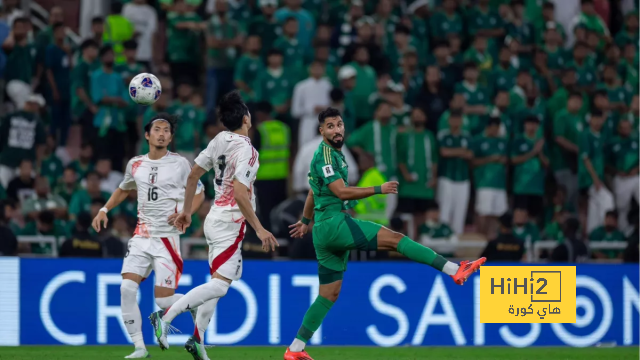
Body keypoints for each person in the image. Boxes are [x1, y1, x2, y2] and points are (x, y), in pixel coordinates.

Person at [280, 107, 484, 360]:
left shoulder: (333, 155)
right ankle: (454, 270)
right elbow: (342, 193)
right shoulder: (326, 156)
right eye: (330, 126)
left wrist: (304, 220)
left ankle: (295, 349)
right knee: (397, 240)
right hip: (334, 224)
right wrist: (379, 188)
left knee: (329, 294)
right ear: (321, 130)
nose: (336, 129)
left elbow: (313, 191)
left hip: (323, 230)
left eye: (339, 124)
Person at [149, 91, 278, 359]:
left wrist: (186, 211)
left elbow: (194, 174)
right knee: (220, 286)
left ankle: (197, 340)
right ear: (246, 119)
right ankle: (165, 317)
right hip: (231, 221)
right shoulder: (248, 151)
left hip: (215, 217)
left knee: (217, 284)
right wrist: (260, 228)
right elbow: (241, 193)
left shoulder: (219, 140)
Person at [92, 113, 206, 359]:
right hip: (141, 236)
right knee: (126, 288)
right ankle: (140, 348)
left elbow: (199, 193)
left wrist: (186, 213)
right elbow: (123, 189)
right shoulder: (135, 164)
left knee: (164, 303)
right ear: (147, 135)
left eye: (167, 130)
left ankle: (194, 302)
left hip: (167, 239)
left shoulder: (180, 163)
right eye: (157, 129)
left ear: (171, 137)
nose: (162, 133)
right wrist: (104, 210)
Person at [396, 108, 437, 234]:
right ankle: (405, 245)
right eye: (415, 115)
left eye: (420, 115)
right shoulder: (405, 135)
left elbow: (434, 159)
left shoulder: (429, 136)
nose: (418, 118)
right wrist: (406, 175)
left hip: (424, 185)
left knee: (421, 217)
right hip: (408, 186)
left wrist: (434, 178)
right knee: (405, 217)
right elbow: (400, 158)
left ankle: (418, 243)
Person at [436, 109, 472, 234]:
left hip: (463, 179)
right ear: (449, 121)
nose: (456, 122)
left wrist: (453, 152)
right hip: (447, 178)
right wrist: (461, 151)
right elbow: (444, 152)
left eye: (458, 119)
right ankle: (442, 238)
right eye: (453, 119)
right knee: (444, 211)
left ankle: (456, 244)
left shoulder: (467, 137)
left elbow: (470, 155)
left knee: (460, 213)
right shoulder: (443, 135)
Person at [0, 94, 46, 188]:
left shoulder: (37, 121)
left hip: (25, 166)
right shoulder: (10, 117)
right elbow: (40, 147)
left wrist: (36, 167)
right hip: (8, 162)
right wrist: (37, 166)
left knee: (27, 190)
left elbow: (40, 145)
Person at [579, 109, 615, 232]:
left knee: (594, 206)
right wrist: (595, 179)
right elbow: (586, 159)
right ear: (590, 120)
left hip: (598, 178)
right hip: (588, 178)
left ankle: (593, 233)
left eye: (600, 119)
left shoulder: (601, 136)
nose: (597, 121)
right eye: (595, 118)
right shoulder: (586, 135)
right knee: (607, 199)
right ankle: (602, 231)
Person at [472, 117, 508, 238]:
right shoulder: (479, 141)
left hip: (500, 184)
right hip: (484, 183)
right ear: (488, 127)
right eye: (493, 128)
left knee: (496, 215)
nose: (495, 130)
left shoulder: (502, 142)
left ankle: (492, 239)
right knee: (483, 213)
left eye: (497, 128)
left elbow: (508, 160)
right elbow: (472, 162)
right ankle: (480, 240)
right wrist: (489, 159)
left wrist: (504, 160)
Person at [511, 116, 549, 222]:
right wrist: (533, 152)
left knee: (535, 217)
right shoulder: (518, 140)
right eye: (529, 124)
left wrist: (540, 152)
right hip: (521, 186)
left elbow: (546, 164)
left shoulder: (541, 143)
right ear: (524, 125)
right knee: (519, 216)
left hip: (537, 188)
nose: (532, 127)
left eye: (534, 124)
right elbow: (513, 160)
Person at [291, 60, 332, 148]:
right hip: (307, 121)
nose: (317, 70)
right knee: (306, 147)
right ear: (309, 69)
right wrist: (311, 109)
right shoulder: (301, 86)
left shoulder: (328, 86)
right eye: (315, 68)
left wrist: (325, 109)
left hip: (324, 122)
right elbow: (295, 111)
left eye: (320, 68)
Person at [609, 118, 639, 232]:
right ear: (618, 129)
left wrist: (637, 169)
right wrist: (616, 172)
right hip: (621, 178)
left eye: (628, 128)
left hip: (636, 177)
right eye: (623, 128)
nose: (625, 130)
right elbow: (606, 163)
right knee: (622, 207)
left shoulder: (636, 141)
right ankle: (623, 231)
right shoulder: (612, 143)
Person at [45, 22, 72, 146]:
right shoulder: (51, 49)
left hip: (67, 90)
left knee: (66, 121)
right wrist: (54, 89)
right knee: (54, 120)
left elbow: (71, 67)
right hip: (57, 90)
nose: (62, 34)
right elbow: (49, 70)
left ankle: (62, 146)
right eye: (60, 31)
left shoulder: (67, 49)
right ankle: (51, 146)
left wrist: (69, 54)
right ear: (54, 33)